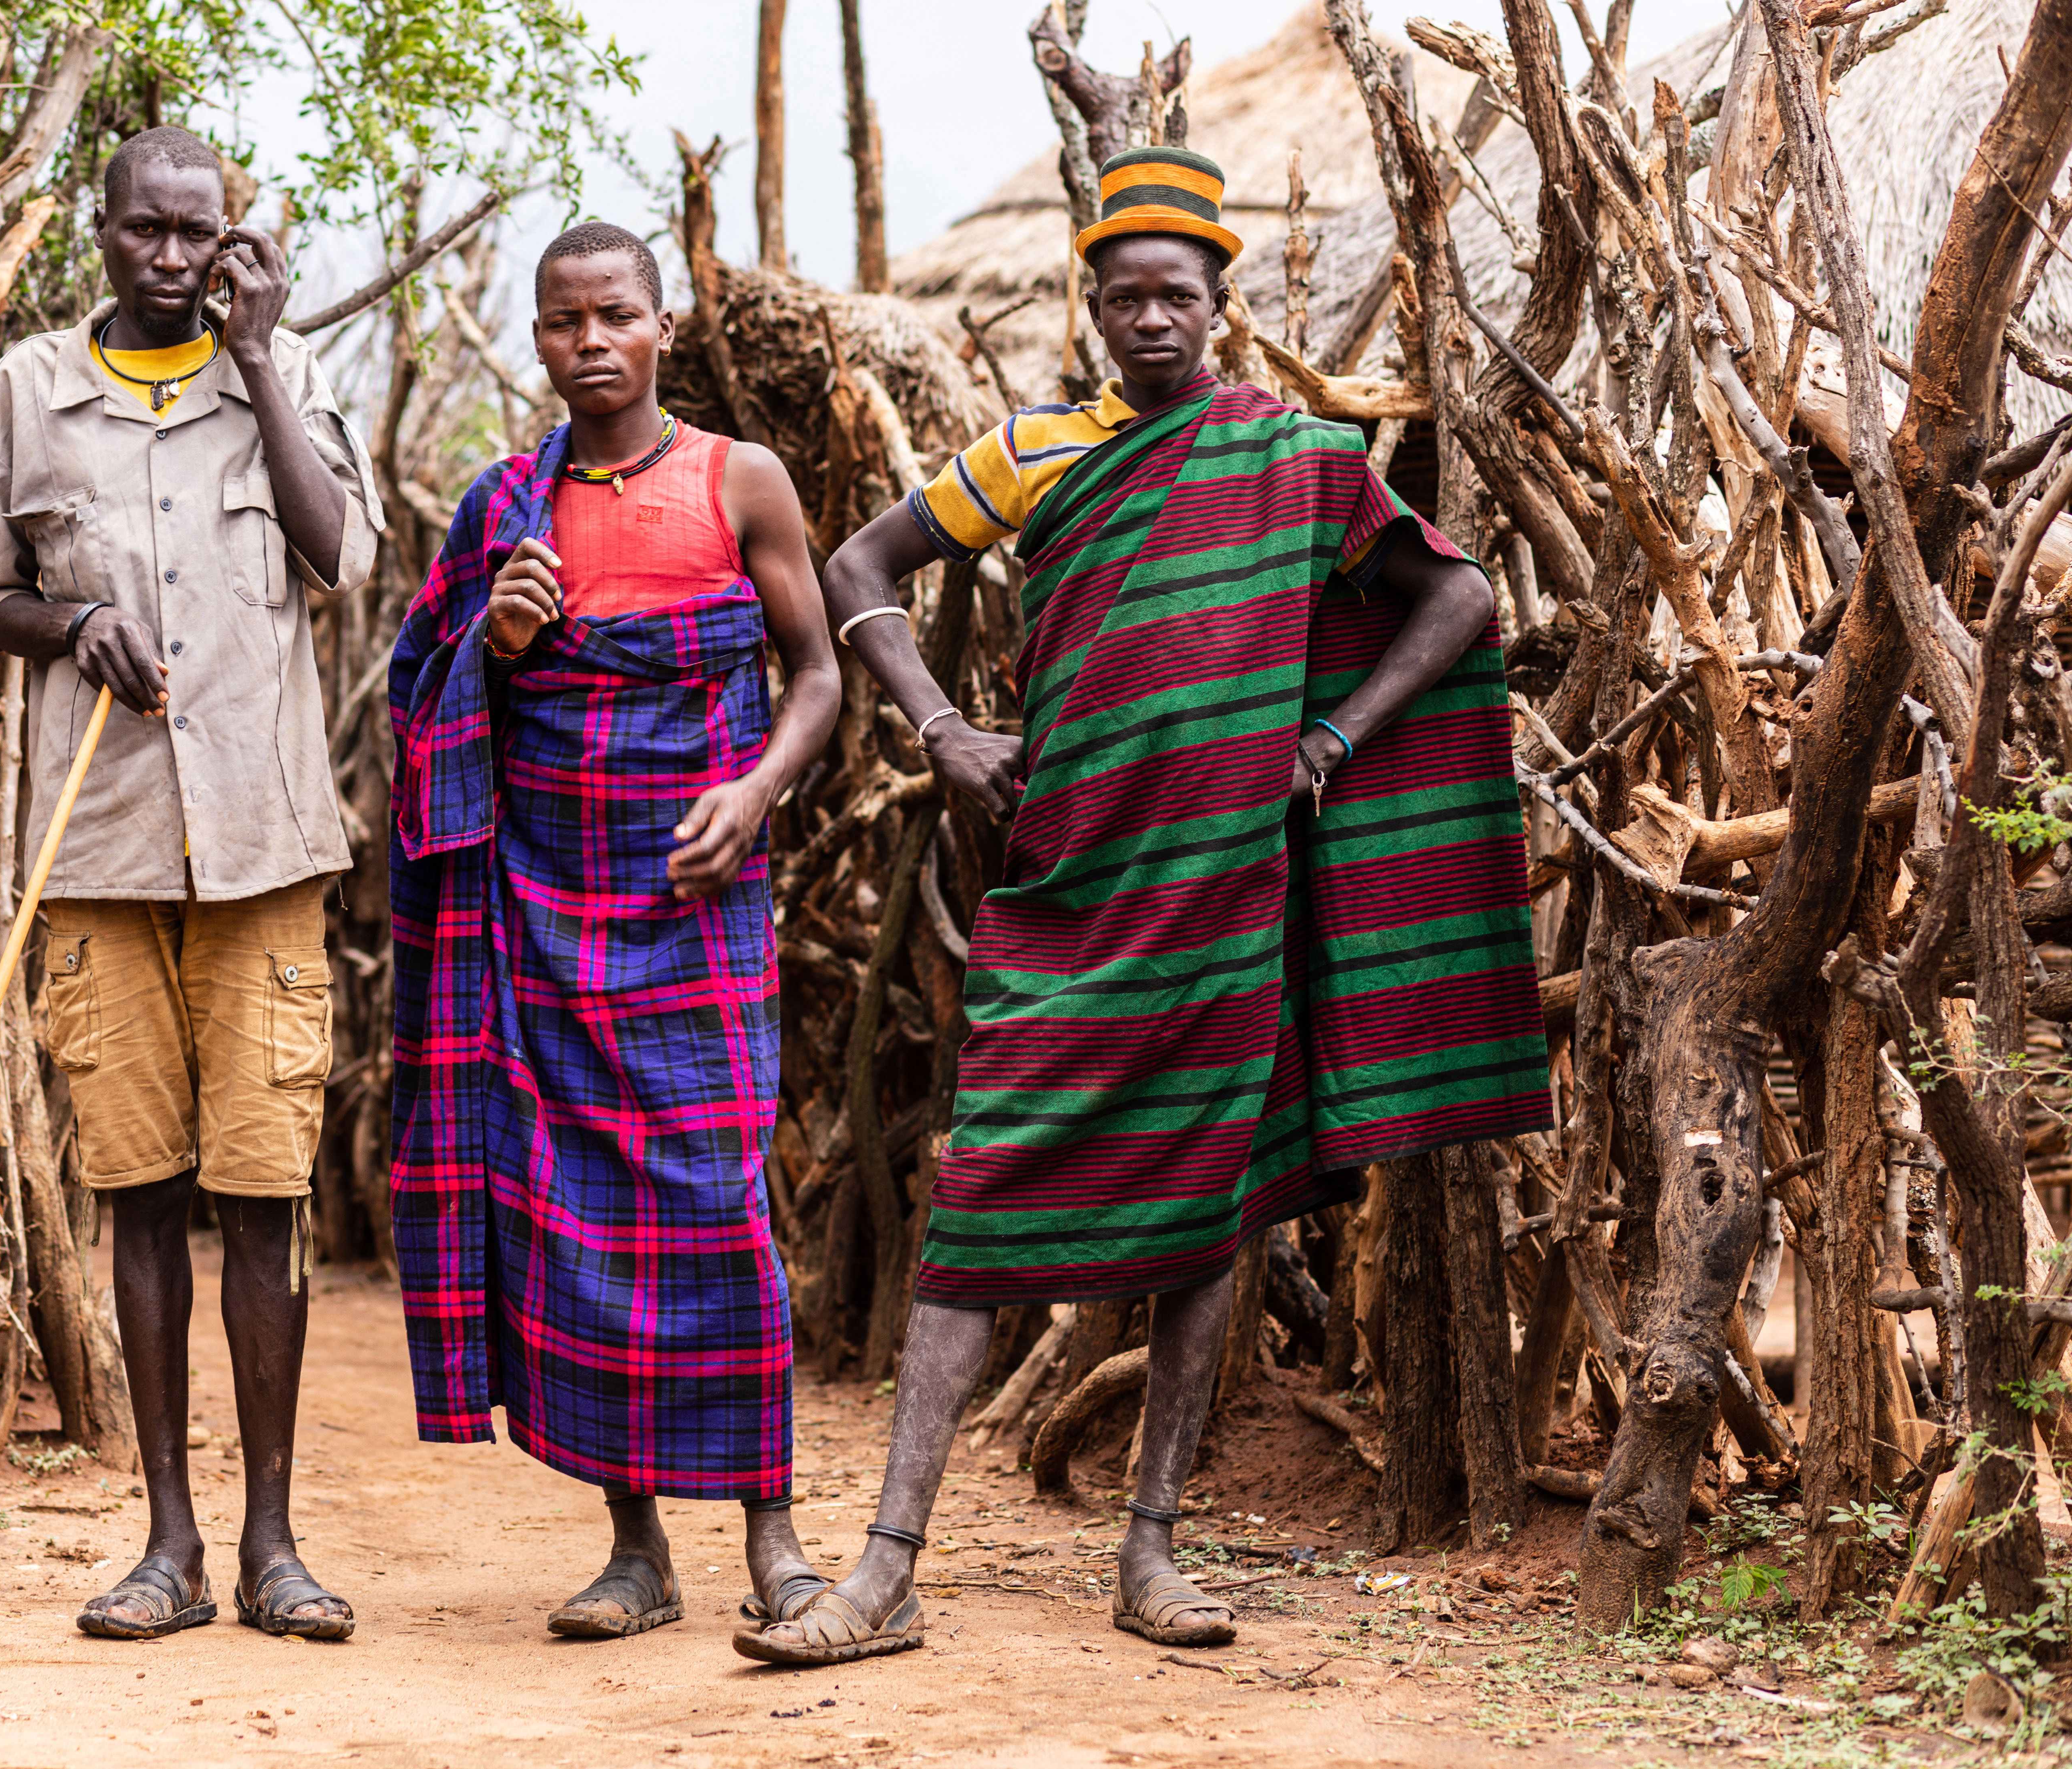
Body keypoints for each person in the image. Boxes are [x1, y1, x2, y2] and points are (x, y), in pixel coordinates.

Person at [736, 147, 1552, 1667]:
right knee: (975, 1208)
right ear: (1094, 306)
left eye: (1177, 295)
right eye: (1126, 298)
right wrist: (940, 727)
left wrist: (1329, 739)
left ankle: (1152, 1553)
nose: (1152, 319)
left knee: (1203, 1219)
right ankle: (887, 1570)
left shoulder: (1301, 460)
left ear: (1220, 305)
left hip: (1227, 894)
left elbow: (1459, 599)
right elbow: (862, 561)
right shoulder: (1042, 451)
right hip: (1064, 888)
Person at [0, 126, 381, 1643]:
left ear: (232, 240)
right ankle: (170, 1545)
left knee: (262, 1200)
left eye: (200, 234)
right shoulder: (30, 389)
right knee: (139, 1198)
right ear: (103, 228)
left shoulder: (291, 378)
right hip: (105, 853)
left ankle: (274, 1544)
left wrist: (263, 363)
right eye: (148, 231)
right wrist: (69, 627)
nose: (174, 258)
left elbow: (337, 554)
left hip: (264, 850)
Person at [389, 222, 841, 1639]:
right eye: (565, 321)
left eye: (618, 316)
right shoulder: (498, 507)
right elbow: (419, 704)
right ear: (536, 338)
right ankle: (636, 1549)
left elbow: (819, 675)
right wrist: (497, 643)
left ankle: (775, 1536)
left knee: (722, 1207)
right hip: (547, 913)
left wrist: (755, 793)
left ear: (665, 327)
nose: (593, 342)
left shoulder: (739, 480)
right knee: (570, 1227)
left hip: (699, 908)